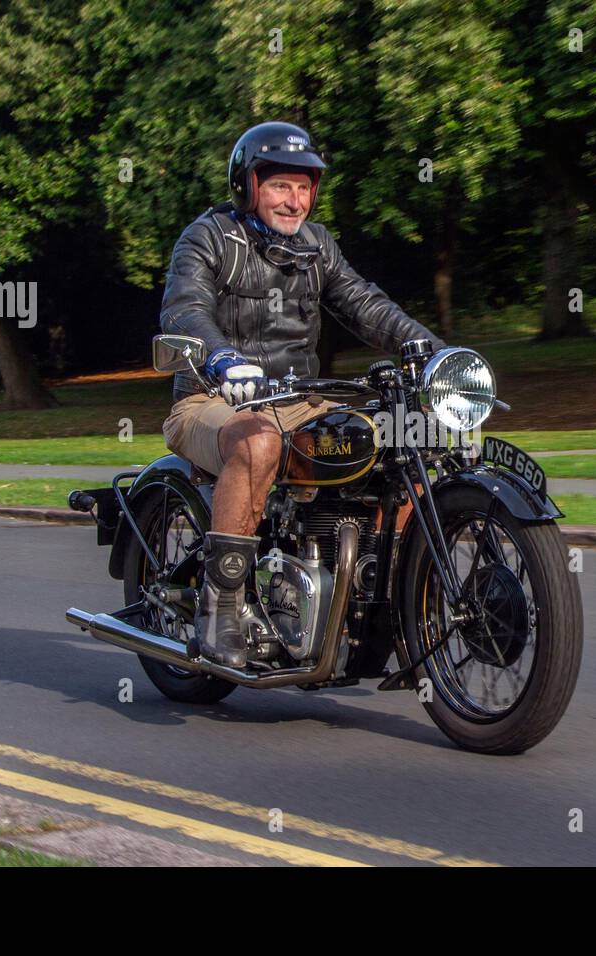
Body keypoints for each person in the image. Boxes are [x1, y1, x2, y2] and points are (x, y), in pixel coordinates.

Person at [158, 121, 444, 667]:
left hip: (302, 399)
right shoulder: (208, 237)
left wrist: (434, 352)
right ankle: (221, 606)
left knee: (406, 444)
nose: (295, 201)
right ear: (248, 185)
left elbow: (366, 304)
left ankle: (398, 601)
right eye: (280, 186)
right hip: (210, 399)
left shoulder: (317, 246)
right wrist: (222, 359)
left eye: (305, 187)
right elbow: (185, 309)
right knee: (258, 441)